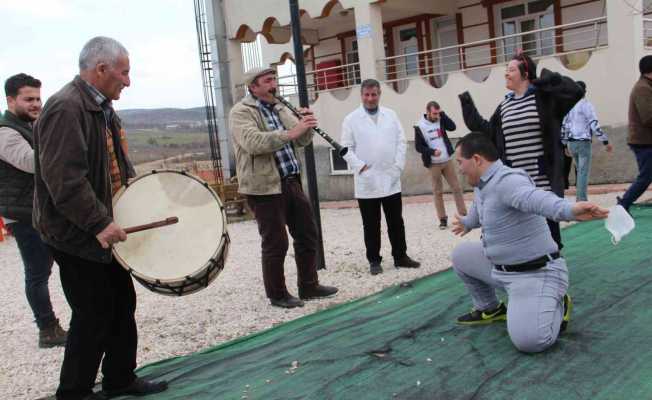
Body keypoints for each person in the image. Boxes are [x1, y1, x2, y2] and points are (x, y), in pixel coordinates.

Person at [33, 37, 168, 400]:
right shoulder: (66, 107)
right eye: (124, 73)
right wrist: (98, 223)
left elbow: (114, 168)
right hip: (76, 233)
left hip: (100, 228)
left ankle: (120, 379)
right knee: (92, 313)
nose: (128, 81)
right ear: (101, 69)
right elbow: (64, 180)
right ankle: (73, 392)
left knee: (121, 303)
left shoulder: (102, 107)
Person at [450, 132, 608, 353]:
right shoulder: (482, 184)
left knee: (530, 342)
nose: (459, 168)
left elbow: (536, 199)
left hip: (534, 274)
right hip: (501, 269)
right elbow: (480, 212)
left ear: (477, 159)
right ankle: (490, 309)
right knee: (461, 255)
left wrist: (569, 210)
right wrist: (467, 223)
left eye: (460, 162)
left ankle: (558, 303)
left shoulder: (509, 181)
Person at [229, 67, 338, 309]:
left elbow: (301, 140)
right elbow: (253, 142)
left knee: (307, 233)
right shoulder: (241, 112)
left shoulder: (280, 106)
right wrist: (291, 132)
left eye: (274, 80)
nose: (274, 85)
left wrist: (306, 125)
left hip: (290, 180)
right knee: (276, 242)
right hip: (263, 187)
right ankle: (277, 294)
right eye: (268, 81)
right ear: (253, 87)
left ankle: (309, 285)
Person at [458, 52, 584, 249]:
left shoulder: (544, 98)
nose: (506, 74)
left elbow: (575, 91)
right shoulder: (505, 106)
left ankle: (554, 270)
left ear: (525, 73)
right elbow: (488, 131)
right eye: (506, 70)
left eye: (511, 70)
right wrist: (467, 103)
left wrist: (548, 79)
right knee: (520, 234)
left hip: (543, 181)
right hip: (516, 185)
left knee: (550, 238)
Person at [0, 73, 68, 348]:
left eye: (38, 98)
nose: (36, 103)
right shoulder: (5, 131)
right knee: (38, 272)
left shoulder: (30, 125)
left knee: (54, 266)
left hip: (37, 209)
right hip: (23, 213)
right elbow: (30, 161)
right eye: (28, 99)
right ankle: (48, 329)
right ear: (10, 100)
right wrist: (66, 151)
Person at [341, 79, 421, 275]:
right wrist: (361, 168)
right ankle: (374, 260)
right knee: (371, 224)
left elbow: (401, 142)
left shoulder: (391, 115)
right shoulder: (351, 119)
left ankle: (400, 256)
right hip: (366, 180)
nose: (370, 98)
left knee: (396, 221)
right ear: (361, 95)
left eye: (374, 94)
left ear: (379, 95)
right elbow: (345, 149)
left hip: (390, 176)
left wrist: (398, 166)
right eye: (367, 95)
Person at [414, 100, 467, 229]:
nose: (436, 116)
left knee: (456, 188)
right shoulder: (419, 126)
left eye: (438, 113)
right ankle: (442, 219)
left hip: (447, 160)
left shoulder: (441, 119)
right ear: (427, 112)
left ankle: (464, 215)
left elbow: (453, 127)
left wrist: (443, 115)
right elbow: (418, 147)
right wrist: (432, 151)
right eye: (434, 113)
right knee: (438, 192)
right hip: (433, 164)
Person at [561, 81, 613, 201]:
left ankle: (580, 198)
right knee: (583, 172)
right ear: (585, 91)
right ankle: (581, 199)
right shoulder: (586, 105)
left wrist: (564, 144)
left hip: (571, 142)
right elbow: (594, 124)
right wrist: (605, 141)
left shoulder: (569, 106)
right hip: (583, 142)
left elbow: (565, 125)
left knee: (579, 171)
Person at [618, 55, 652, 212]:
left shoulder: (648, 86)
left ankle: (624, 202)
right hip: (644, 142)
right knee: (645, 177)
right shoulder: (642, 88)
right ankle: (623, 204)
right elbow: (648, 117)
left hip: (646, 140)